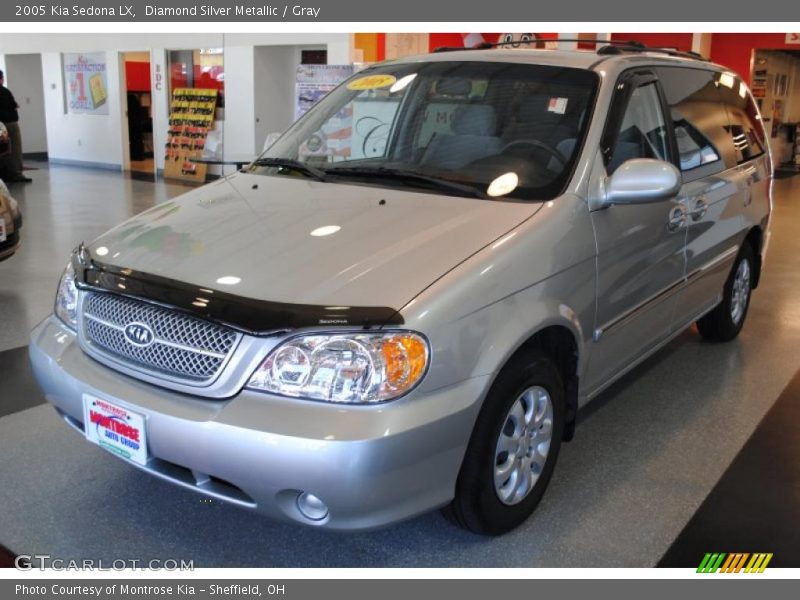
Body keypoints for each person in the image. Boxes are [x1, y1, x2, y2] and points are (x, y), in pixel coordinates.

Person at [0, 70, 31, 183]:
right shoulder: (5, 91)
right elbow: (14, 105)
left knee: (3, 151)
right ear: (1, 79)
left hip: (2, 124)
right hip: (10, 123)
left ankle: (4, 174)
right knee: (15, 149)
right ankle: (16, 173)